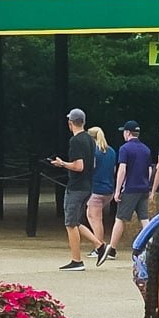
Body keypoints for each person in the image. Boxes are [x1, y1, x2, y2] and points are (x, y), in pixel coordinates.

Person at [51, 108, 98, 270]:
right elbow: (92, 164)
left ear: (70, 123)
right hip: (88, 185)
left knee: (70, 223)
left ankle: (76, 260)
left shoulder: (76, 141)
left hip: (76, 186)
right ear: (83, 122)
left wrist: (62, 163)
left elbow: (79, 166)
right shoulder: (91, 140)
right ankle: (100, 245)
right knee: (76, 221)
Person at [106, 120, 157, 261]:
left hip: (130, 188)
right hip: (143, 187)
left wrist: (117, 190)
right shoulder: (146, 149)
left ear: (128, 133)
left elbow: (122, 169)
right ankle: (152, 245)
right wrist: (147, 183)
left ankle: (112, 248)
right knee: (144, 218)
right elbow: (150, 169)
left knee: (121, 218)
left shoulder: (125, 149)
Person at [86, 126, 118, 263]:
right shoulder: (111, 151)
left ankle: (99, 246)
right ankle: (98, 243)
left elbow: (90, 168)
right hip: (109, 189)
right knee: (91, 215)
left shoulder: (93, 151)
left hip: (96, 189)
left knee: (96, 219)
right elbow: (114, 169)